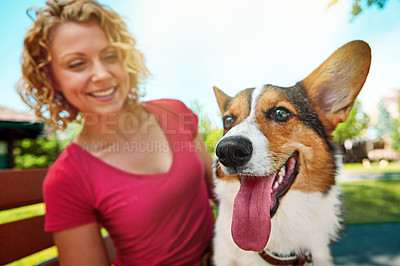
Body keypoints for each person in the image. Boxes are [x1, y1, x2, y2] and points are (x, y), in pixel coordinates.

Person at [16, 0, 215, 265]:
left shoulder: (173, 112)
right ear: (52, 79)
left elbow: (221, 191)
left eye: (110, 56)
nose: (101, 74)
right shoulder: (67, 178)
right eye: (77, 64)